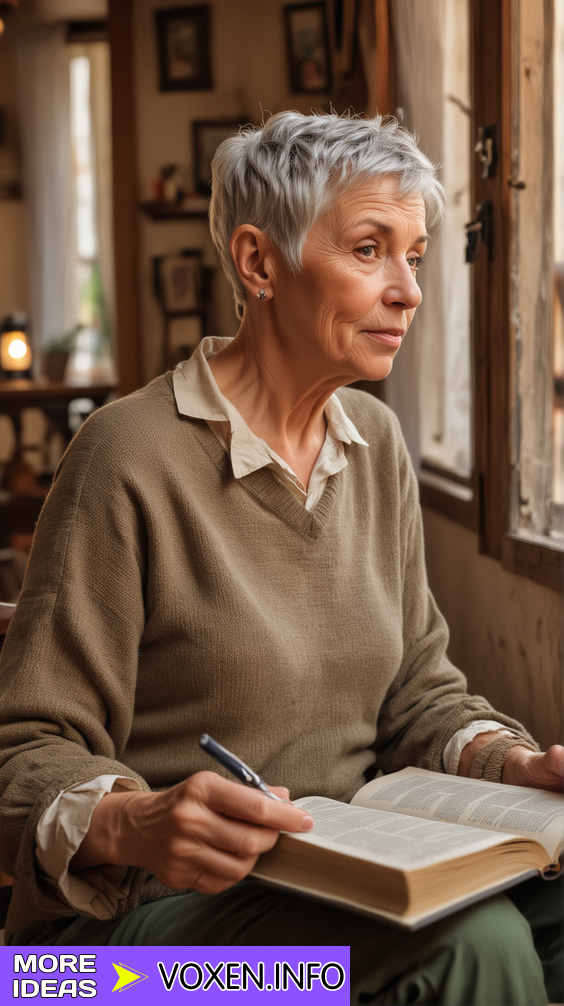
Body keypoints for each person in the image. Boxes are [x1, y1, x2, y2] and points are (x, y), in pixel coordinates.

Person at [0, 111, 561, 1004]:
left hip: (338, 880)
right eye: (371, 249)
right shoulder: (124, 455)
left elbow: (419, 688)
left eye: (415, 256)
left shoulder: (375, 443)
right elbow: (29, 744)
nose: (409, 291)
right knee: (476, 947)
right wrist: (138, 822)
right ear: (260, 264)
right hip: (107, 956)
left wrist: (514, 762)